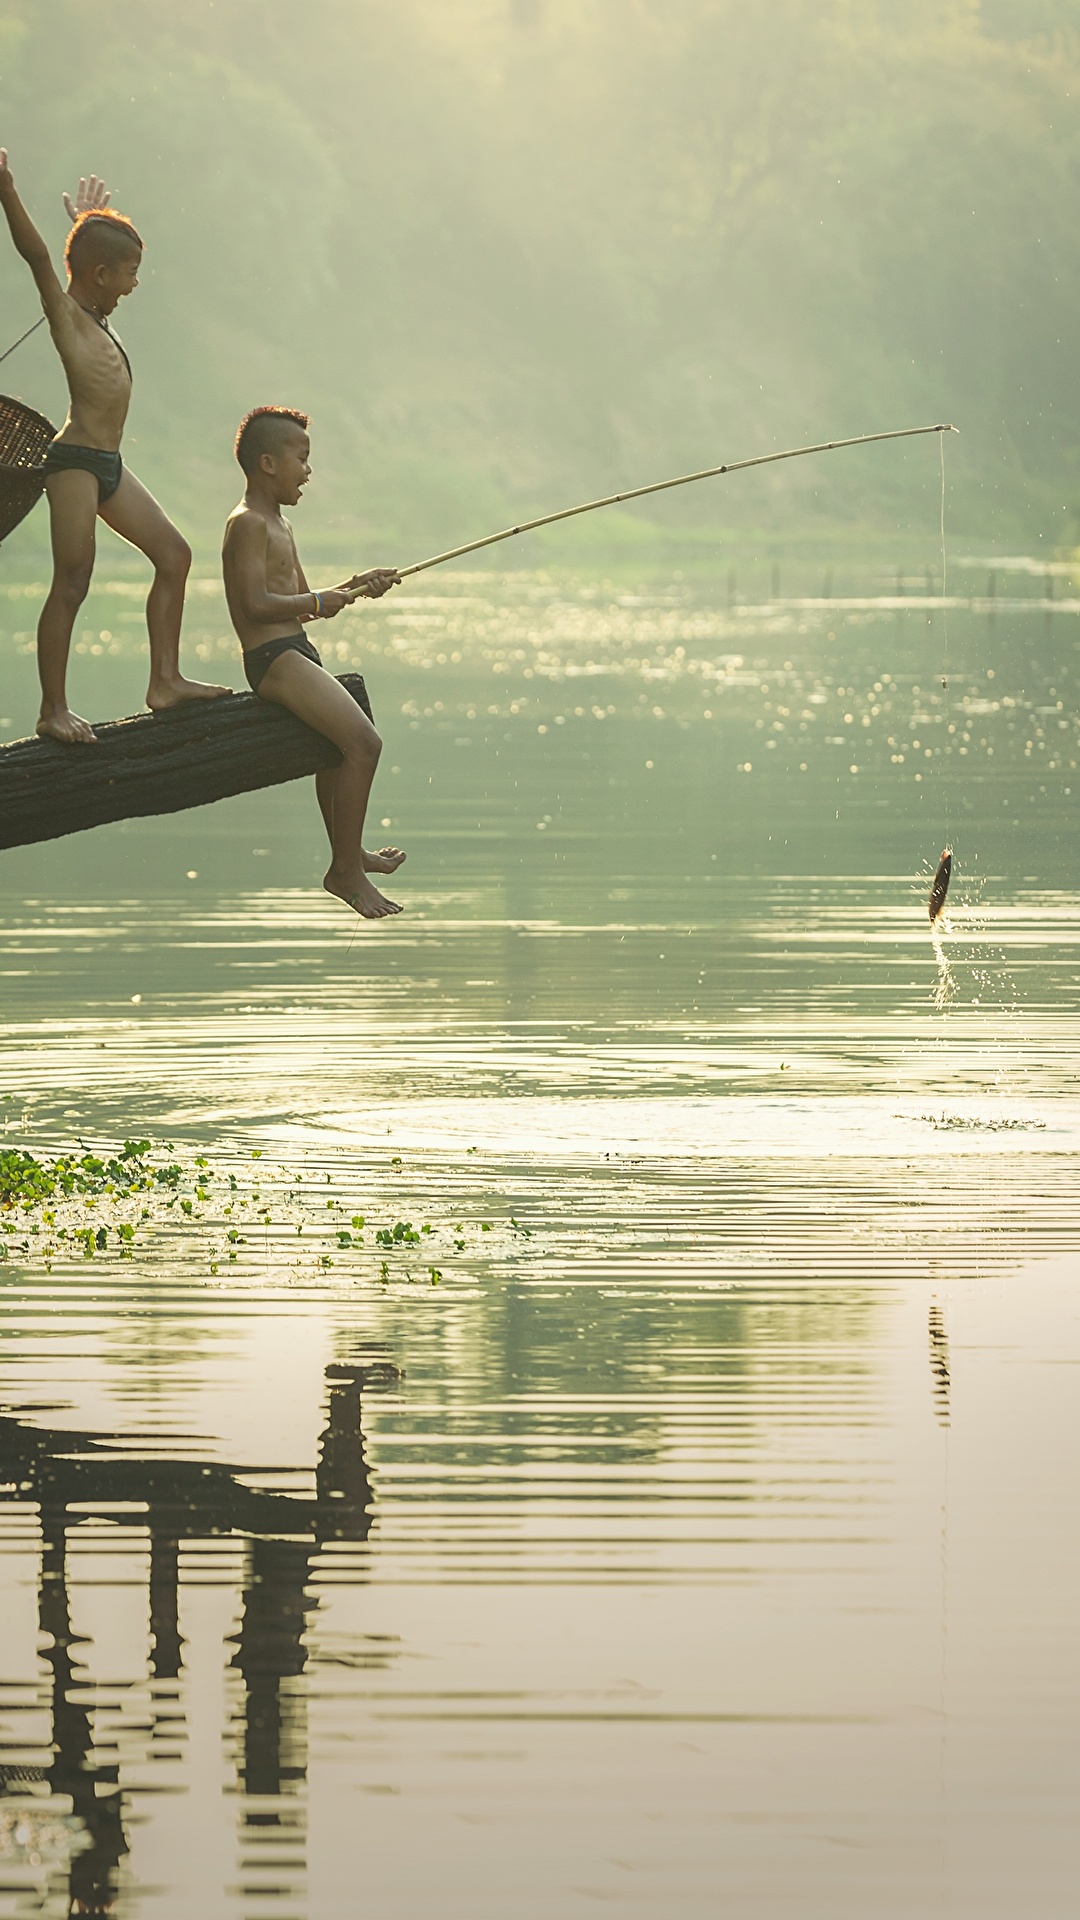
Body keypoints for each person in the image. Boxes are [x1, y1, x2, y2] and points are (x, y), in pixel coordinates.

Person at [0, 148, 228, 743]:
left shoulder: (98, 310)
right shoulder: (70, 315)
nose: (134, 284)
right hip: (73, 463)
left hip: (109, 465)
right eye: (127, 273)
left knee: (175, 556)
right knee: (73, 579)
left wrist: (90, 224)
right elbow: (41, 257)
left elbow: (80, 255)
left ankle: (164, 681)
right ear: (101, 275)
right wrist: (6, 191)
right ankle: (53, 710)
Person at [222, 405, 404, 920]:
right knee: (364, 743)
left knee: (334, 749)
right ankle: (344, 870)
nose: (308, 470)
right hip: (272, 658)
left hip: (296, 649)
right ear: (267, 464)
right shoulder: (247, 524)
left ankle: (350, 854)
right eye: (300, 458)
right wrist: (320, 600)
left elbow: (303, 597)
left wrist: (354, 587)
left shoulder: (279, 524)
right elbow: (254, 604)